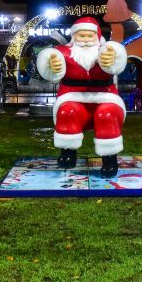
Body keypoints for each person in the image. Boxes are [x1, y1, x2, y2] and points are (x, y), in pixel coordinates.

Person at [36, 17, 127, 178]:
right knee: (68, 112)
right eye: (81, 36)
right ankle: (68, 152)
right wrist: (50, 63)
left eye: (89, 36)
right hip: (72, 97)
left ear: (97, 36)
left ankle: (109, 158)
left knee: (107, 114)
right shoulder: (64, 53)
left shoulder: (106, 51)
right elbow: (49, 56)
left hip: (105, 97)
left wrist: (114, 59)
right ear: (74, 36)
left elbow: (118, 55)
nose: (85, 40)